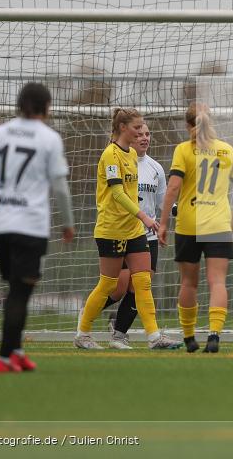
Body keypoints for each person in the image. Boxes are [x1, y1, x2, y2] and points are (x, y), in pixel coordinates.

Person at [0, 83, 75, 372]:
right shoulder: (50, 138)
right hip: (30, 227)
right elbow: (60, 188)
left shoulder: (0, 133)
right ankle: (3, 357)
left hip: (0, 225)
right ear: (47, 107)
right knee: (19, 294)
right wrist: (68, 223)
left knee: (15, 290)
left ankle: (18, 351)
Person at [76, 108, 182, 350]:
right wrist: (144, 216)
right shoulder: (110, 155)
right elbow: (116, 193)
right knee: (108, 285)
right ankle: (82, 333)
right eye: (137, 128)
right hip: (111, 229)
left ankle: (154, 337)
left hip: (134, 230)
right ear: (123, 128)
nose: (141, 133)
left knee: (143, 282)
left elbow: (141, 194)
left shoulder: (133, 154)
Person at [158, 102, 233, 354]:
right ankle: (214, 335)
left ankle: (189, 338)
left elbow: (173, 189)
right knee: (217, 281)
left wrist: (163, 223)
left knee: (188, 282)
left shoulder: (184, 150)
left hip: (189, 224)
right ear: (212, 122)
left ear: (188, 126)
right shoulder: (227, 150)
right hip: (218, 224)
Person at [103, 123, 167, 350]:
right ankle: (88, 314)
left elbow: (162, 202)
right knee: (118, 288)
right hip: (123, 232)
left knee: (140, 285)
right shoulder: (119, 159)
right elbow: (116, 194)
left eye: (148, 134)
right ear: (129, 134)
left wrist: (184, 210)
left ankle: (119, 335)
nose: (144, 138)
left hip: (146, 236)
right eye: (139, 134)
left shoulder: (155, 168)